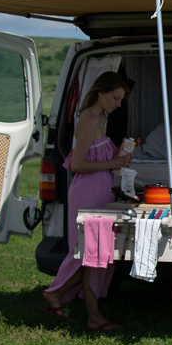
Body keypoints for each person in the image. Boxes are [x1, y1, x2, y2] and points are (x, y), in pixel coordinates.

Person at [41, 71, 133, 331]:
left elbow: (101, 157)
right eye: (115, 98)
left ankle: (80, 307)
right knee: (89, 254)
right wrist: (114, 162)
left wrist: (123, 154)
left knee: (98, 254)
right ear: (101, 92)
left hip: (100, 193)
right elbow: (78, 163)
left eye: (120, 100)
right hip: (87, 193)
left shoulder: (101, 118)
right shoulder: (89, 119)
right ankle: (61, 295)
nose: (117, 104)